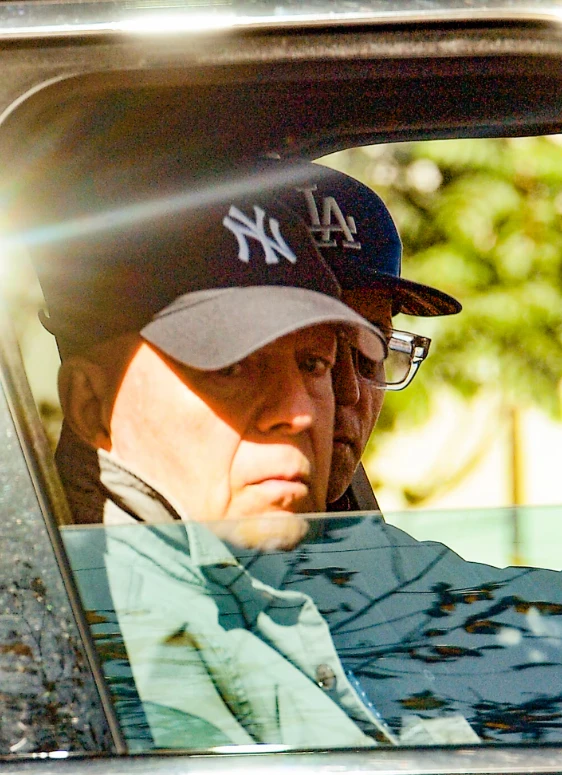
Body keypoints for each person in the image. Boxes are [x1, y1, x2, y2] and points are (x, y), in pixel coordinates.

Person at [35, 190, 403, 749]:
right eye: (231, 365)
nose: (301, 411)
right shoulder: (115, 644)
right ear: (91, 405)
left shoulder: (249, 597)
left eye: (313, 363)